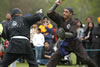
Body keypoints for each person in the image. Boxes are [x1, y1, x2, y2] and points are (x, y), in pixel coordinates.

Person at [47, 0, 98, 67]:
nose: (64, 13)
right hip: (65, 44)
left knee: (85, 59)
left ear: (70, 14)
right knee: (53, 59)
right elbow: (49, 13)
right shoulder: (60, 19)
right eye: (64, 11)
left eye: (66, 12)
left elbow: (72, 34)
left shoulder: (73, 22)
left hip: (75, 44)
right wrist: (56, 4)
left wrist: (63, 34)